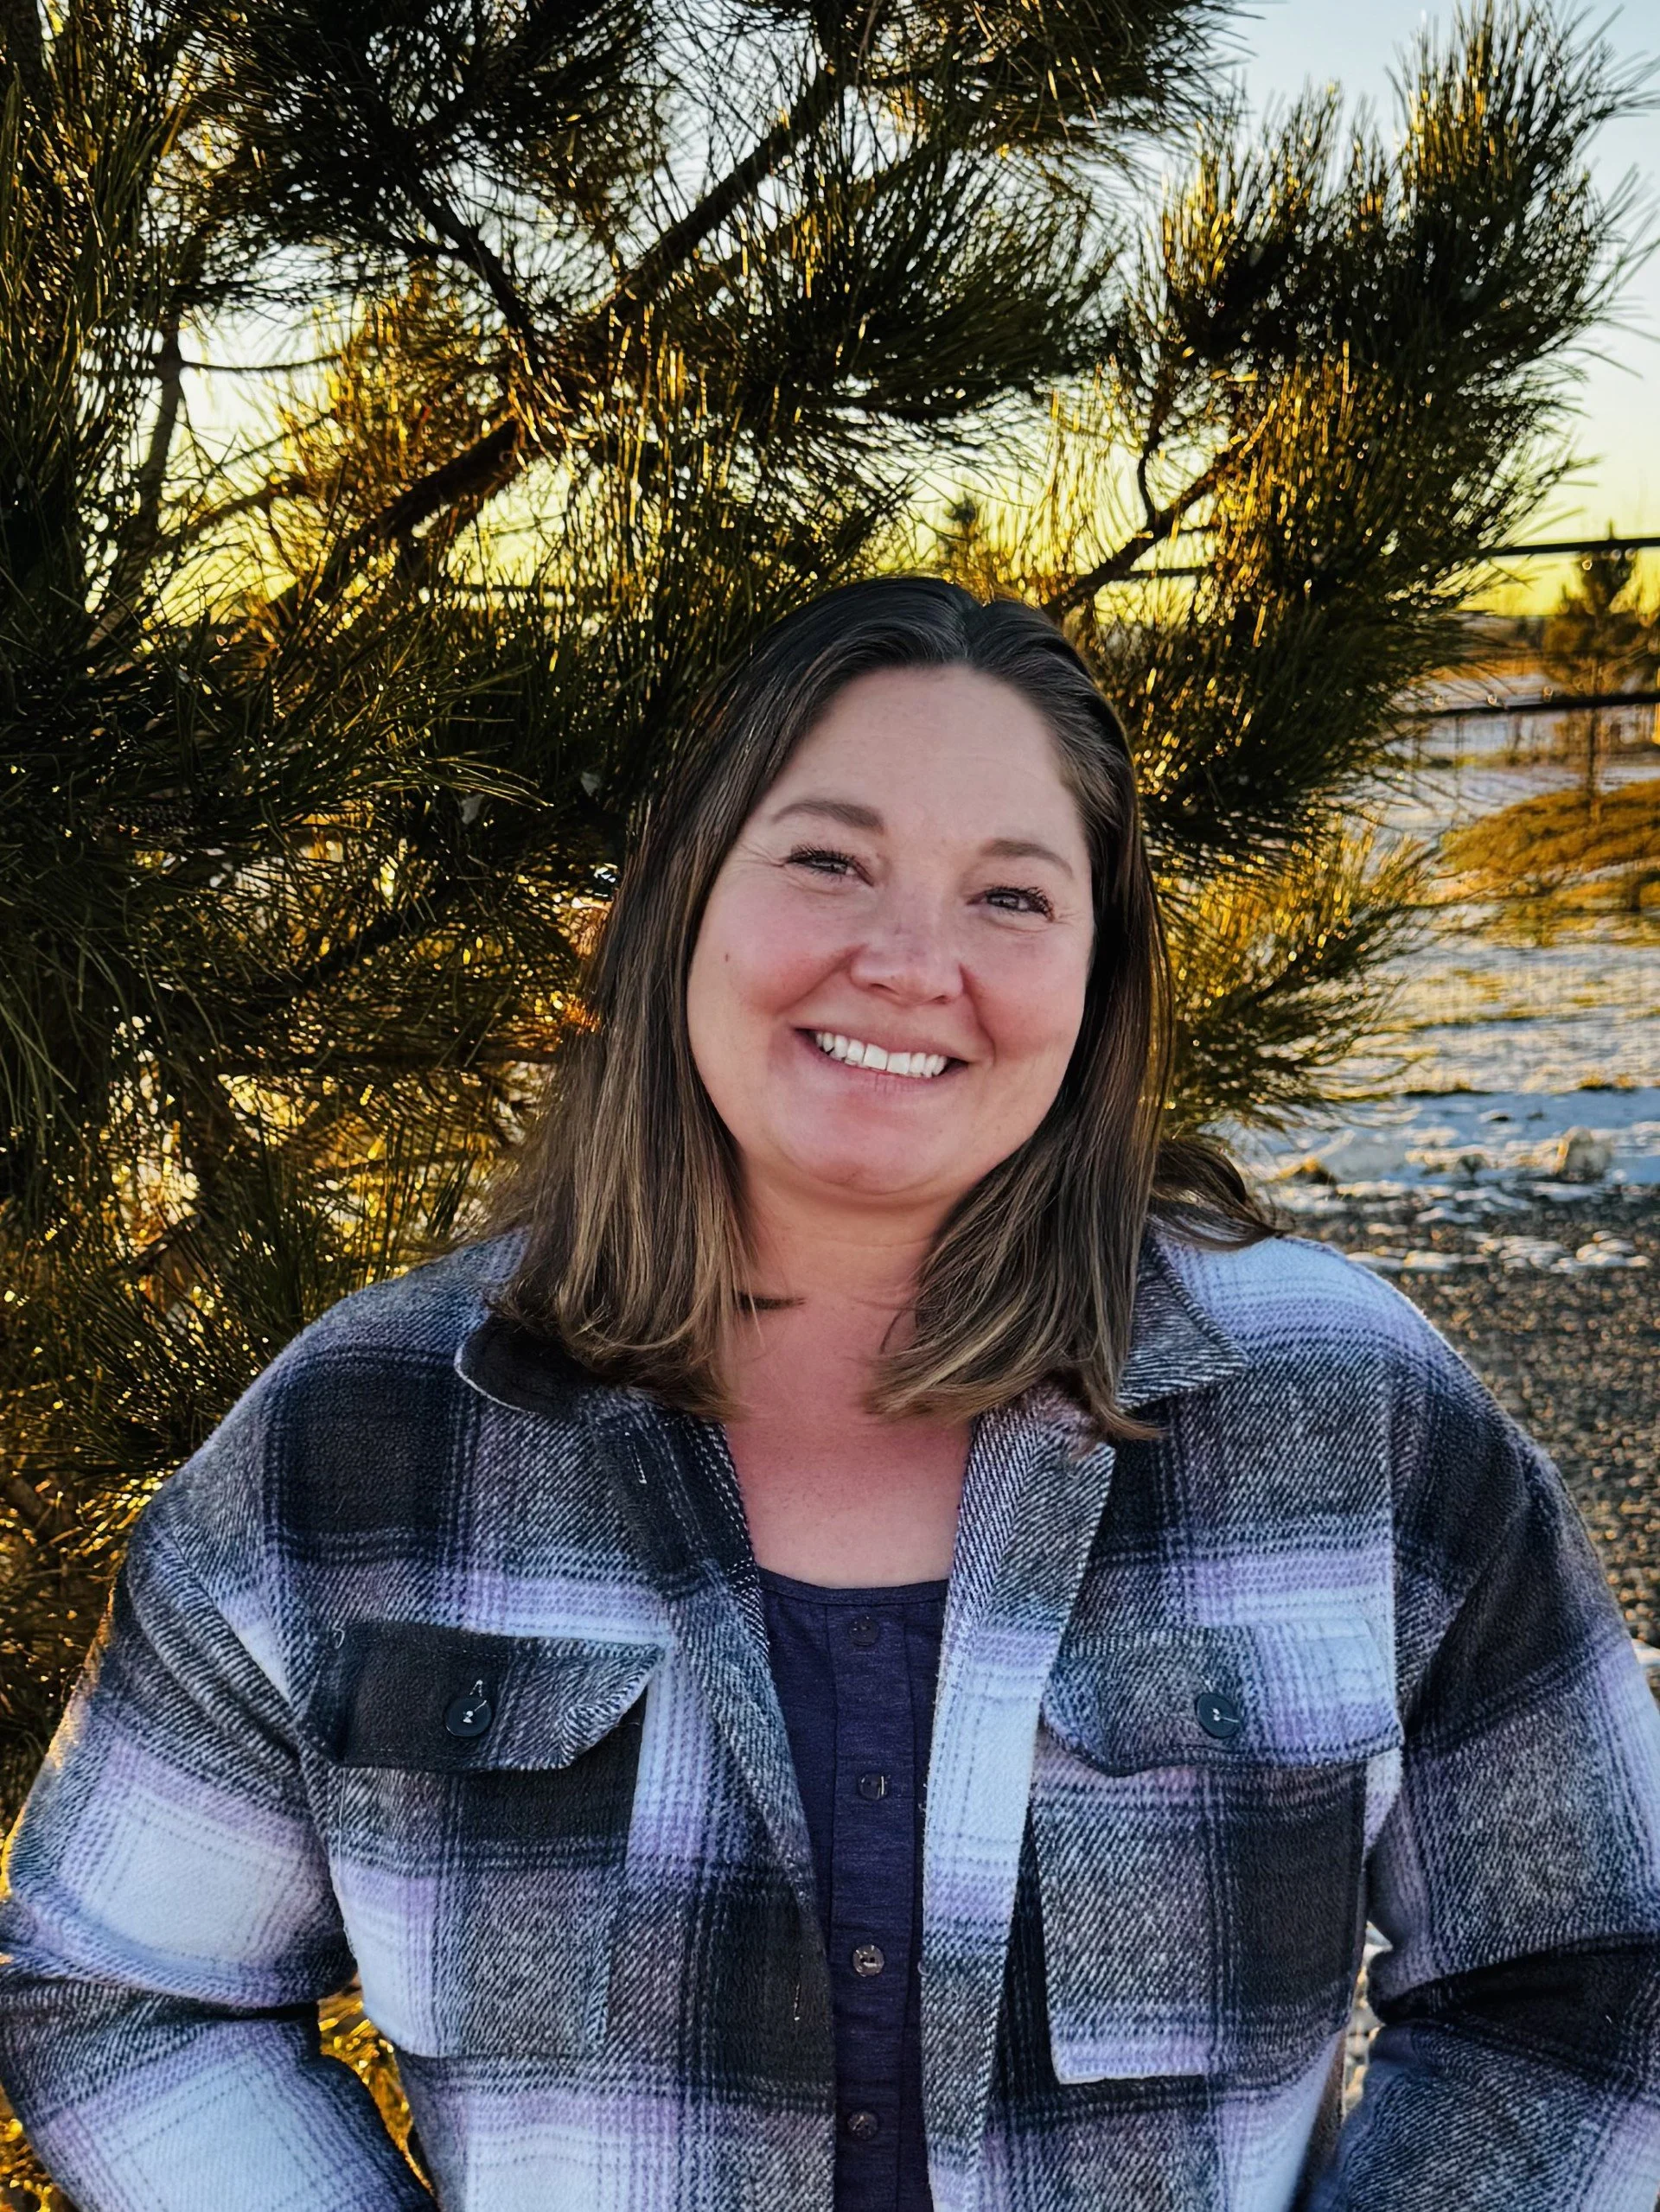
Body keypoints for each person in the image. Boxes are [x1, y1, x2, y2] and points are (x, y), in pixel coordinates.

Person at [1, 577, 1657, 2212]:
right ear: (676, 900)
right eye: (828, 859)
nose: (910, 959)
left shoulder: (1345, 1413)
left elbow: (1601, 1967)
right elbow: (116, 1987)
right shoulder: (361, 1439)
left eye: (1012, 896)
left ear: (1098, 978)